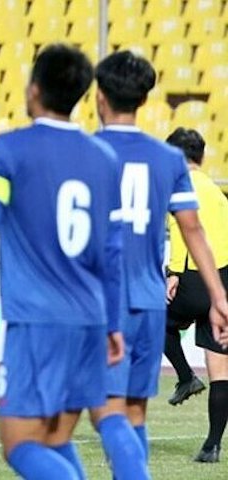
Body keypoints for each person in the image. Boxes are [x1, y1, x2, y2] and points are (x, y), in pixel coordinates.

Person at [0, 44, 125, 480]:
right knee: (55, 439)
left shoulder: (9, 149)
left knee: (19, 445)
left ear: (34, 90)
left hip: (38, 321)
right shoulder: (105, 158)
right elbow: (112, 254)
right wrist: (112, 324)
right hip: (90, 320)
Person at [89, 51, 228, 476]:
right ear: (145, 100)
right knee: (135, 412)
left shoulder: (86, 153)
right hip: (148, 301)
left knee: (105, 412)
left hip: (103, 300)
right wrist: (219, 296)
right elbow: (193, 230)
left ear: (99, 98)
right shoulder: (167, 160)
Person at [164, 127, 228, 462]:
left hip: (194, 276)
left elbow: (181, 230)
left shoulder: (180, 186)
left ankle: (186, 377)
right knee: (220, 369)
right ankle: (211, 446)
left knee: (156, 322)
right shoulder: (218, 193)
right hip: (225, 280)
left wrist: (173, 272)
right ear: (200, 157)